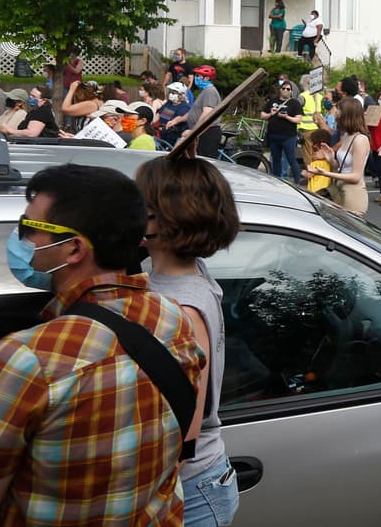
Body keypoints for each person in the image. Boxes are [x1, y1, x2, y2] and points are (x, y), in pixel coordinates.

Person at [0, 164, 205, 524]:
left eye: (29, 228)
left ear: (74, 249)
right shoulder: (173, 319)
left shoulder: (26, 359)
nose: (20, 238)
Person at [137, 157, 241, 526]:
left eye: (138, 203)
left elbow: (184, 433)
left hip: (190, 492)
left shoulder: (181, 308)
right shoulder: (166, 272)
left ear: (166, 219)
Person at [303, 96, 371, 216]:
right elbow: (342, 167)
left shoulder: (360, 140)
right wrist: (331, 159)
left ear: (347, 114)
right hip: (340, 191)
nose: (336, 113)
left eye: (339, 110)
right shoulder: (346, 136)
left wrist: (325, 173)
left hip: (353, 195)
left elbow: (356, 176)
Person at [261, 80, 303, 184]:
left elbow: (298, 119)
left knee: (291, 159)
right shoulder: (272, 101)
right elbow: (262, 115)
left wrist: (286, 117)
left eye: (288, 89)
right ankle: (277, 181)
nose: (285, 90)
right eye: (283, 88)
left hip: (288, 137)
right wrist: (270, 114)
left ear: (291, 91)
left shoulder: (294, 103)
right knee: (276, 160)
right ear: (280, 89)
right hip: (274, 136)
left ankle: (297, 182)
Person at [180, 65, 223, 158]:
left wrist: (194, 131)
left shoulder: (210, 91)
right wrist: (177, 120)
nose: (196, 78)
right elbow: (195, 111)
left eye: (198, 76)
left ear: (206, 78)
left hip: (208, 133)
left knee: (204, 160)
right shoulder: (205, 91)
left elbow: (207, 113)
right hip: (203, 132)